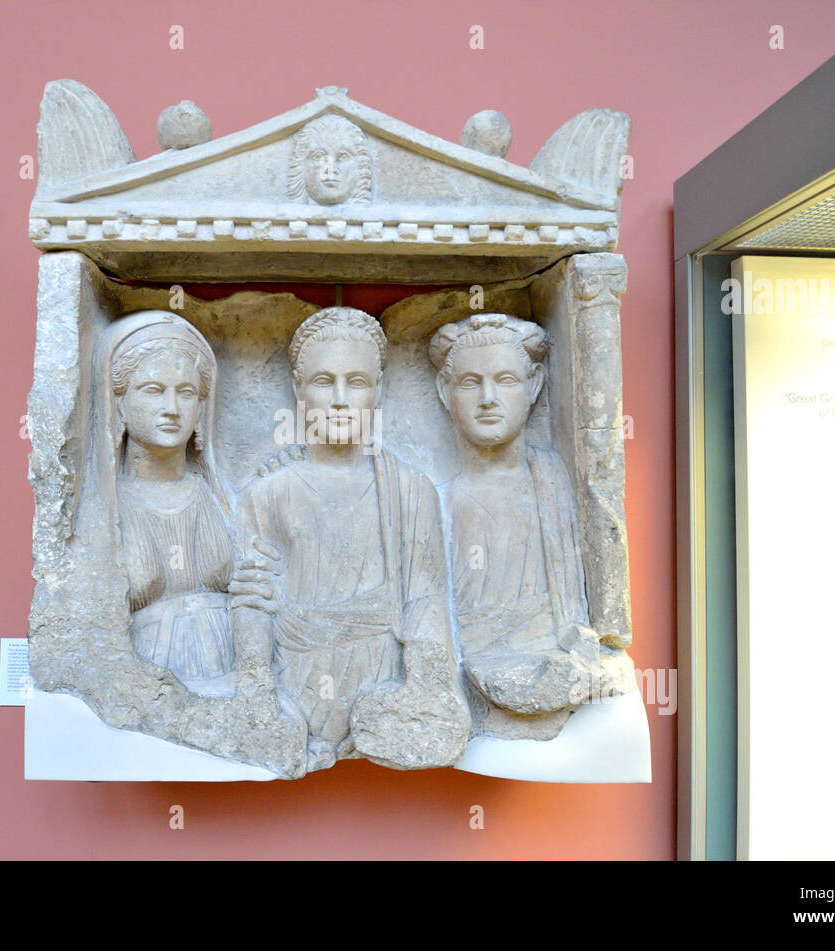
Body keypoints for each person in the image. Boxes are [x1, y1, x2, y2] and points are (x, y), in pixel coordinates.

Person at [230, 306, 468, 771]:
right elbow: (250, 600)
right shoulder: (267, 492)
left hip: (380, 676)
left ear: (378, 390)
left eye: (356, 383)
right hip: (296, 680)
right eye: (323, 382)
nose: (340, 399)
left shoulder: (410, 489)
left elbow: (425, 600)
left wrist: (427, 690)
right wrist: (258, 694)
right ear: (298, 388)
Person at [429, 312, 606, 736]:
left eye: (506, 379)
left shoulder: (557, 485)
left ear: (535, 385)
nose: (488, 398)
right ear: (443, 390)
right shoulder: (435, 501)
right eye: (471, 382)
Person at [79, 310, 236, 693]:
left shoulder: (222, 501)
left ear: (201, 407)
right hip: (147, 691)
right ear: (119, 400)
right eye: (153, 389)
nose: (171, 408)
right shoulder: (105, 513)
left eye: (186, 392)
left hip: (230, 679)